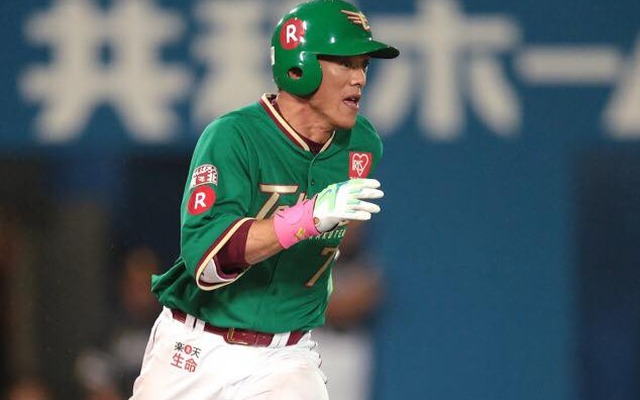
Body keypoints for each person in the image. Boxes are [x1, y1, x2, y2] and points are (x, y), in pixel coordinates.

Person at [130, 1, 399, 399]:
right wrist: (306, 218)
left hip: (286, 357)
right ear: (299, 67)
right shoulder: (234, 136)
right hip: (196, 347)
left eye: (363, 65)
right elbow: (207, 263)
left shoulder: (361, 144)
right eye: (345, 63)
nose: (359, 78)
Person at [312, 221, 384, 400]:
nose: (347, 231)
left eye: (354, 226)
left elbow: (363, 300)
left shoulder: (366, 268)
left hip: (346, 348)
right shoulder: (305, 262)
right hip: (313, 343)